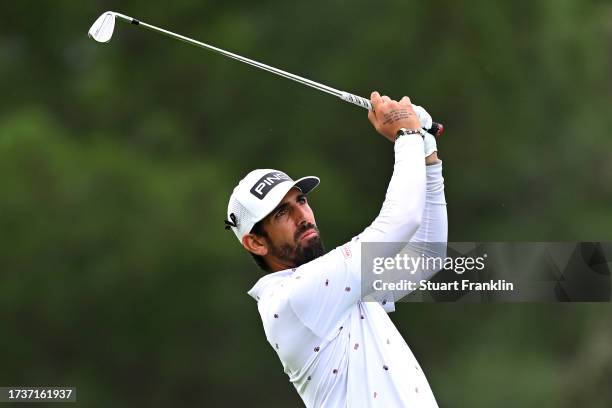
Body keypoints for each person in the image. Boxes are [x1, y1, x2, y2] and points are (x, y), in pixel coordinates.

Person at [225, 91, 448, 407]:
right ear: (255, 242)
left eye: (300, 201)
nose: (302, 215)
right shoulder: (291, 298)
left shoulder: (341, 288)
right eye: (281, 213)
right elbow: (399, 222)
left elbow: (425, 256)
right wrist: (407, 135)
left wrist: (426, 151)